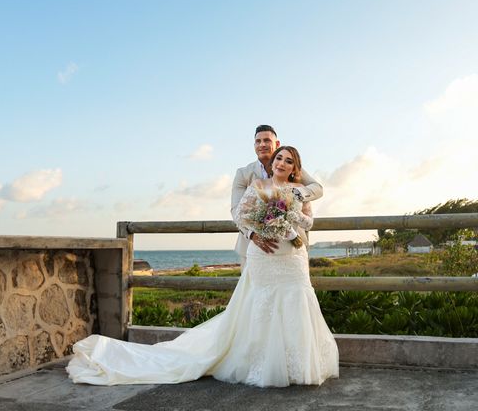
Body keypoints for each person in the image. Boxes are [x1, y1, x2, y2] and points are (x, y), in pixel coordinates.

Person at [66, 146, 339, 388]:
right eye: (279, 158)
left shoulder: (298, 191)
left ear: (295, 168)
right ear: (274, 162)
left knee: (296, 301)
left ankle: (297, 366)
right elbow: (242, 218)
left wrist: (289, 219)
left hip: (292, 257)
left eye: (288, 161)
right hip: (264, 255)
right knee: (262, 306)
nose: (281, 163)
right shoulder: (258, 186)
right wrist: (254, 234)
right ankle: (262, 363)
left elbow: (309, 223)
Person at [231, 125, 323, 266]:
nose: (262, 145)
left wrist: (293, 196)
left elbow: (317, 188)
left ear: (276, 144)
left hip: (292, 247)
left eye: (267, 140)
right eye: (258, 141)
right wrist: (252, 235)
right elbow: (236, 210)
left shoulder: (292, 166)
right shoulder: (243, 174)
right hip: (255, 247)